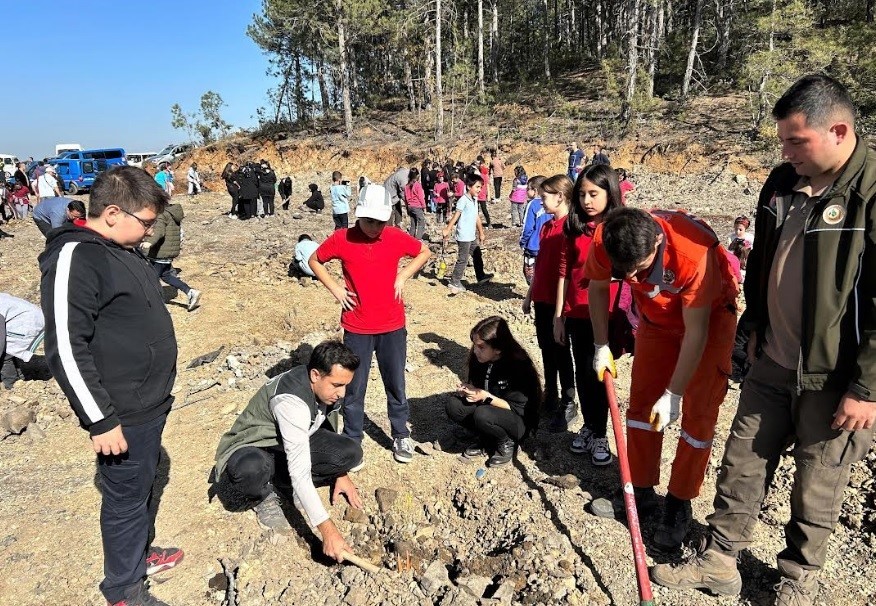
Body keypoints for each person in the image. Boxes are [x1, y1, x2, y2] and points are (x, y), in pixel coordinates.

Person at [650, 74, 876, 605]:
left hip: (836, 374)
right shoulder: (781, 183)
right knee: (743, 459)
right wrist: (753, 325)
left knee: (817, 482)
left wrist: (868, 387)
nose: (785, 152)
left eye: (796, 141)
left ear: (838, 130)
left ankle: (797, 581)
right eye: (782, 141)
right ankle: (720, 559)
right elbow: (761, 268)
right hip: (773, 357)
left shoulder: (870, 195)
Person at [38, 166, 184, 606]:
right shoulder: (75, 257)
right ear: (113, 212)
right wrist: (100, 420)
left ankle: (136, 557)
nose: (150, 230)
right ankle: (123, 589)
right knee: (124, 499)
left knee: (140, 488)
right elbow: (64, 345)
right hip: (121, 411)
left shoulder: (120, 248)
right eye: (145, 222)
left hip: (149, 401)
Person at [585, 207, 739, 552]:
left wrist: (674, 393)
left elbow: (696, 332)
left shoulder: (692, 252)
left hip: (709, 321)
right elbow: (597, 288)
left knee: (697, 417)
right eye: (624, 272)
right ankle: (639, 492)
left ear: (657, 240)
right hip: (656, 322)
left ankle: (678, 503)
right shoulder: (608, 237)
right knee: (640, 406)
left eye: (638, 269)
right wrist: (600, 344)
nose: (632, 277)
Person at [309, 184, 431, 465]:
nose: (375, 227)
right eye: (369, 221)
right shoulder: (342, 238)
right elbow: (314, 259)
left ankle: (400, 433)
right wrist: (336, 290)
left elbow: (423, 252)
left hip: (392, 325)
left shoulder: (395, 237)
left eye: (380, 221)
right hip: (357, 326)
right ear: (358, 215)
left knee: (395, 382)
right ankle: (353, 440)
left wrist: (403, 276)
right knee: (354, 387)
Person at [214, 340, 365, 557]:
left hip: (292, 440)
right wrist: (328, 530)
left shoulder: (323, 387)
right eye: (337, 385)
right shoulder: (291, 403)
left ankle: (282, 479)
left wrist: (339, 472)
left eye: (345, 385)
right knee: (250, 469)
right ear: (315, 375)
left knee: (350, 453)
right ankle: (263, 496)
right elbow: (301, 474)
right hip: (257, 445)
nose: (342, 393)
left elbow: (325, 425)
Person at [553, 166, 624, 456]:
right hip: (577, 313)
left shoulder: (618, 229)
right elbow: (564, 272)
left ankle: (600, 433)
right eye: (582, 194)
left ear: (610, 193)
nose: (587, 201)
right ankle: (590, 426)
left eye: (594, 194)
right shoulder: (574, 228)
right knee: (583, 373)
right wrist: (559, 315)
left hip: (606, 315)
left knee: (600, 373)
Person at [446, 316, 543, 467]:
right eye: (475, 345)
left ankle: (506, 441)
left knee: (483, 414)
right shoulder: (479, 360)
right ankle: (486, 438)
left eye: (481, 347)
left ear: (498, 349)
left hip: (518, 421)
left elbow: (516, 408)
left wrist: (486, 397)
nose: (475, 350)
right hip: (490, 410)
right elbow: (480, 386)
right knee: (454, 405)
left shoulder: (519, 366)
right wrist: (470, 390)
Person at [522, 175, 574, 428]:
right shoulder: (546, 226)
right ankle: (550, 395)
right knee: (546, 349)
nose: (541, 201)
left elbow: (566, 272)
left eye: (545, 196)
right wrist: (529, 295)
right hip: (542, 298)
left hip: (558, 302)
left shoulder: (569, 229)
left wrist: (560, 313)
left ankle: (568, 401)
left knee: (562, 351)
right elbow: (541, 265)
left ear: (560, 196)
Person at [141, 200, 202, 312]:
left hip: (159, 253)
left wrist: (149, 243)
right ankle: (190, 292)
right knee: (166, 276)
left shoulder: (161, 214)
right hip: (169, 252)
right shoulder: (172, 213)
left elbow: (159, 231)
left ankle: (155, 306)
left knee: (150, 279)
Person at [442, 172, 492, 294]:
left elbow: (476, 217)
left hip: (471, 235)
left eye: (480, 187)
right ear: (469, 187)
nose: (479, 190)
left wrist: (481, 232)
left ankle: (480, 276)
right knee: (463, 259)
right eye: (477, 187)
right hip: (463, 235)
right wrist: (448, 229)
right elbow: (456, 216)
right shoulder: (463, 200)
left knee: (477, 254)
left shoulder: (474, 200)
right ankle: (455, 281)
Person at [0, 293, 45, 389]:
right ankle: (20, 378)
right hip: (27, 319)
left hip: (27, 323)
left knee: (5, 353)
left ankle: (11, 385)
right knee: (9, 350)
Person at [519, 175, 549, 285]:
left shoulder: (532, 204)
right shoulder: (550, 203)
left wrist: (522, 242)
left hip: (533, 246)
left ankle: (533, 295)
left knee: (530, 273)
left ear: (535, 190)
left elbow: (527, 227)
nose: (526, 192)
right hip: (546, 245)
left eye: (528, 189)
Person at [404, 167, 426, 239]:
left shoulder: (407, 186)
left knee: (413, 224)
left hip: (410, 206)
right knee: (421, 222)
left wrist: (407, 207)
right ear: (417, 175)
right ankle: (418, 238)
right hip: (417, 206)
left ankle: (411, 238)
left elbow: (406, 198)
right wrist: (424, 206)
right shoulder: (417, 185)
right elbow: (421, 197)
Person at [475, 158, 491, 228]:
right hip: (476, 194)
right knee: (476, 210)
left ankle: (489, 223)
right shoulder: (476, 174)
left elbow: (487, 185)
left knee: (484, 209)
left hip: (482, 194)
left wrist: (489, 195)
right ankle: (476, 223)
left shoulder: (484, 175)